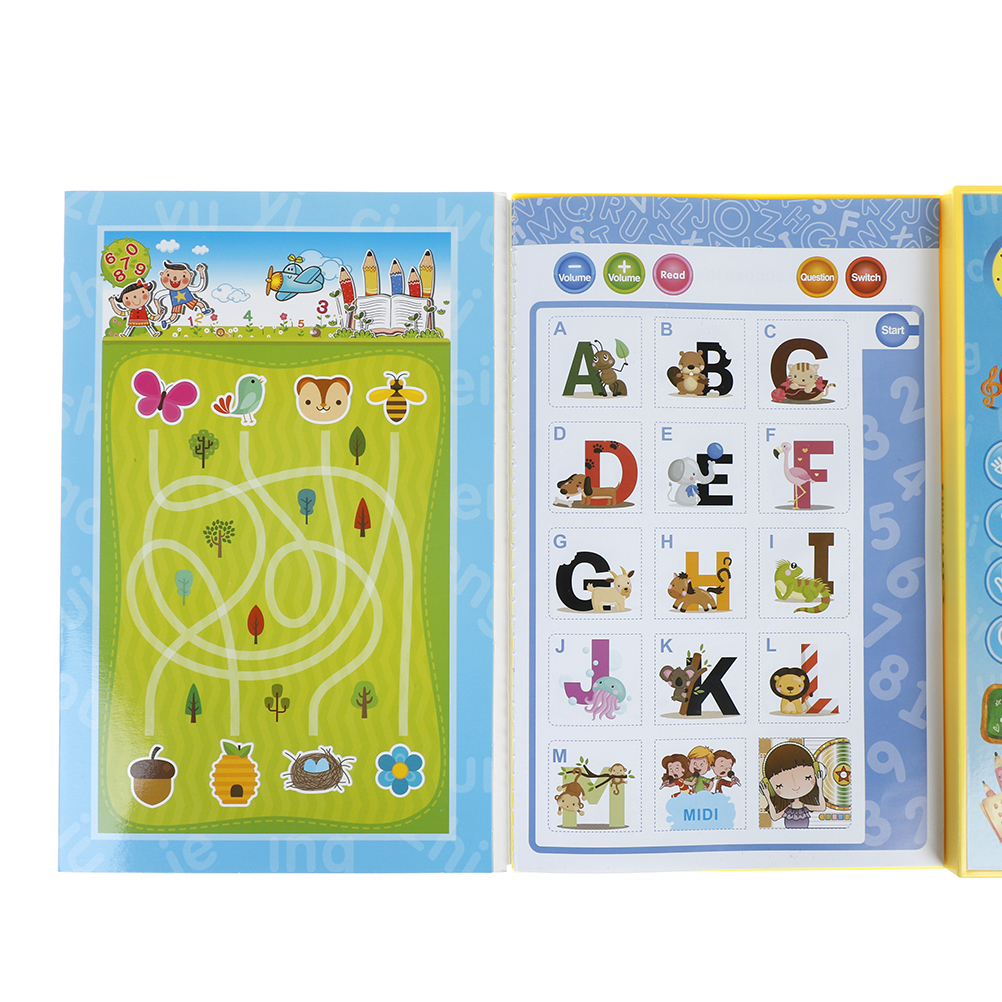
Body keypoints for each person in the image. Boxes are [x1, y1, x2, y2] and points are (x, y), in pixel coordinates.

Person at [760, 743, 826, 828]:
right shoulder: (788, 809)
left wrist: (819, 785)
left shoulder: (804, 806)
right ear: (771, 788)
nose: (795, 787)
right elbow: (775, 817)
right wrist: (768, 797)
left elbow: (822, 807)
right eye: (779, 786)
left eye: (807, 777)